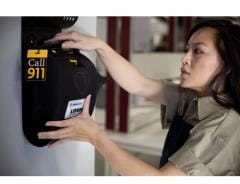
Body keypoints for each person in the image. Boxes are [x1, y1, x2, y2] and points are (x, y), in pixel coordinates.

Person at [38, 19, 240, 176]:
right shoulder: (191, 97)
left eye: (198, 51)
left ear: (228, 64)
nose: (185, 58)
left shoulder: (225, 126)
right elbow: (139, 84)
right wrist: (100, 46)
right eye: (187, 49)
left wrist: (95, 136)